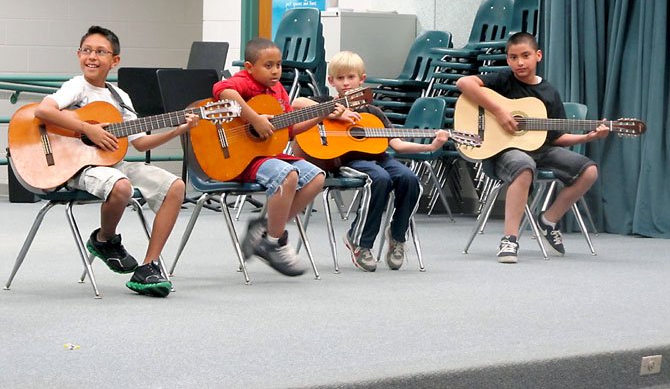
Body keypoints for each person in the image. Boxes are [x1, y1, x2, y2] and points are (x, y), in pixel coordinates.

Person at [34, 25, 199, 296]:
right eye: (87, 50)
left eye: (101, 52)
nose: (92, 57)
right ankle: (104, 239)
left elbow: (140, 142)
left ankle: (149, 266)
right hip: (78, 166)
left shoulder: (119, 98)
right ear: (78, 55)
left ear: (115, 61)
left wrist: (177, 130)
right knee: (120, 185)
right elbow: (44, 110)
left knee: (175, 186)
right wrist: (89, 129)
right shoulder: (77, 86)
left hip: (113, 165)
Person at [456, 32, 610, 263]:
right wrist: (499, 111)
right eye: (513, 57)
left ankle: (549, 219)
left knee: (589, 171)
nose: (519, 62)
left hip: (542, 150)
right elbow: (464, 83)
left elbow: (557, 138)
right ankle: (510, 238)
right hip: (503, 152)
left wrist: (587, 138)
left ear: (538, 56)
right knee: (524, 165)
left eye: (525, 56)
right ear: (507, 60)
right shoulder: (503, 81)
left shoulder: (549, 93)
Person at [293, 51, 449, 272]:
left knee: (409, 178)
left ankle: (397, 236)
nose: (346, 83)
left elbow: (398, 145)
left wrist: (431, 146)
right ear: (331, 81)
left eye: (351, 77)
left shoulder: (373, 112)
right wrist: (332, 112)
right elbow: (297, 103)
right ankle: (360, 241)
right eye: (340, 78)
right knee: (379, 178)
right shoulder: (327, 102)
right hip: (346, 160)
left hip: (379, 157)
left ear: (362, 79)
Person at [212, 37, 338, 277]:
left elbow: (289, 130)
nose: (275, 71)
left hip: (271, 154)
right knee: (287, 175)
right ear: (249, 67)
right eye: (268, 65)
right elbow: (222, 90)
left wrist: (321, 115)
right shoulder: (244, 82)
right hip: (244, 157)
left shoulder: (278, 91)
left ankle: (266, 231)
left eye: (278, 65)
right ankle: (274, 240)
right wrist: (255, 119)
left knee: (316, 177)